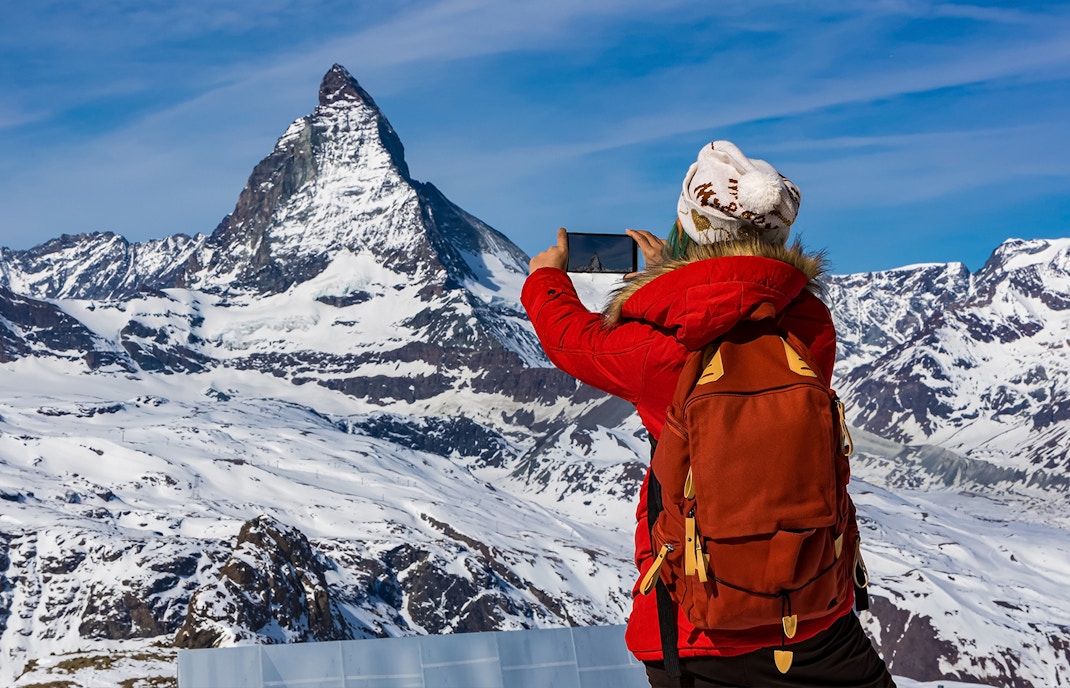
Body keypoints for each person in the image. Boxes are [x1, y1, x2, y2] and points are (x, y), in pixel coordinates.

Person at [521, 141, 894, 687]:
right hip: (815, 613)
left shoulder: (659, 347)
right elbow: (741, 298)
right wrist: (677, 275)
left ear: (688, 228)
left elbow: (573, 341)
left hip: (697, 631)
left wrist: (545, 278)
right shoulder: (811, 326)